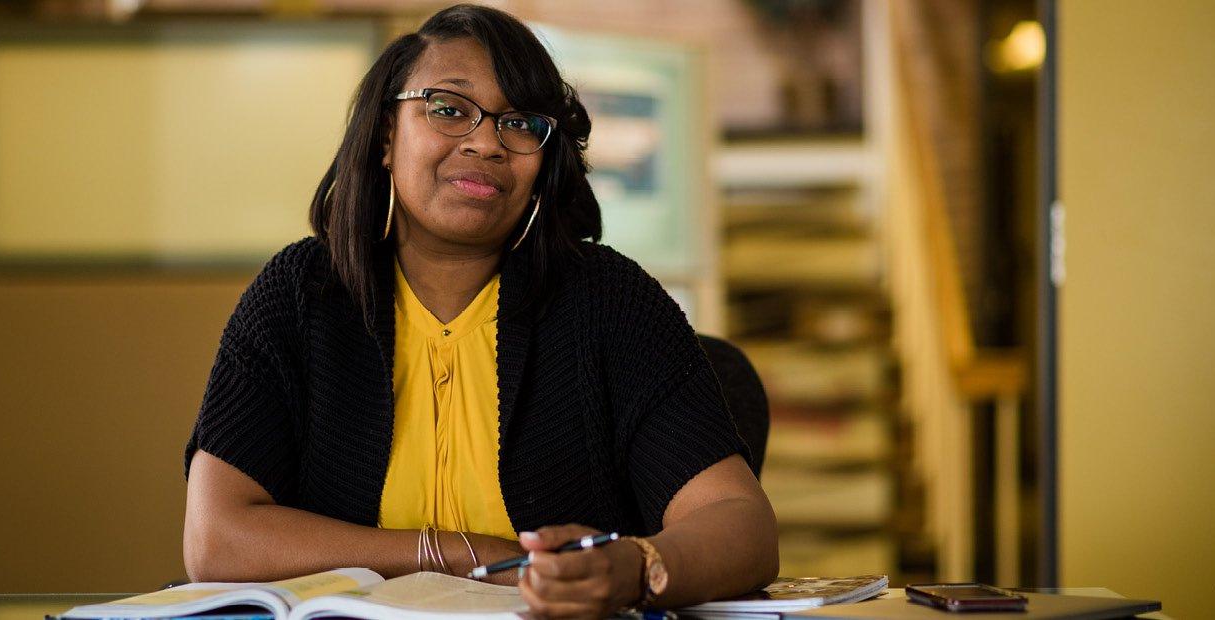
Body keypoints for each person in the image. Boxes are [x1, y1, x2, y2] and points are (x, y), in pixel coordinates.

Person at [182, 4, 777, 618]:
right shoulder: (300, 296)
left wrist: (636, 567)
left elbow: (742, 527)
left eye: (520, 123)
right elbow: (217, 538)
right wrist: (452, 554)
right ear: (387, 134)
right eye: (449, 109)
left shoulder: (611, 304)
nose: (486, 142)